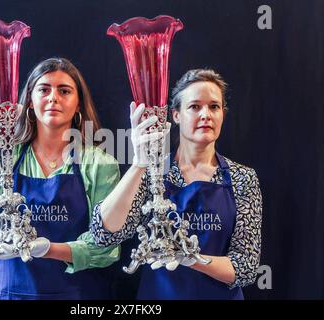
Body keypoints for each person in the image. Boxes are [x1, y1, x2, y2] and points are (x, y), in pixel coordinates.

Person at [0, 58, 120, 300]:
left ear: (78, 105)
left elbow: (107, 247)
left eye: (64, 91)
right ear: (30, 101)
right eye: (44, 89)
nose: (53, 97)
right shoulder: (5, 158)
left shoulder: (100, 164)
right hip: (11, 293)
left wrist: (48, 250)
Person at [90, 69, 263, 300]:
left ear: (223, 114)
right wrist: (139, 165)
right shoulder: (153, 173)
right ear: (176, 115)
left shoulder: (243, 178)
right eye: (194, 106)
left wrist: (190, 258)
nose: (206, 115)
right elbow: (104, 234)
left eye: (214, 106)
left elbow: (246, 267)